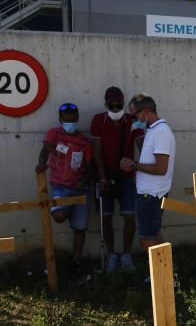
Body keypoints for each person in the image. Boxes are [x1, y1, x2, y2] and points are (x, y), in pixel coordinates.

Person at [90, 86, 144, 273]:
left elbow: (142, 145)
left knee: (130, 216)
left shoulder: (132, 121)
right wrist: (102, 177)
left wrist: (145, 167)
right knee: (105, 217)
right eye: (111, 105)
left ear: (123, 103)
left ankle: (127, 255)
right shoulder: (98, 120)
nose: (115, 108)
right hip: (104, 175)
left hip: (127, 177)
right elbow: (96, 152)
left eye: (118, 105)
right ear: (106, 104)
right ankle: (112, 254)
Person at [36, 102, 93, 272]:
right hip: (61, 187)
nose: (71, 123)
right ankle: (68, 210)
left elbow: (89, 165)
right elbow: (44, 151)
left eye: (74, 120)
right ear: (60, 120)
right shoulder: (54, 134)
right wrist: (41, 164)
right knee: (59, 215)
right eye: (67, 120)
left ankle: (76, 262)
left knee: (80, 228)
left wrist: (85, 179)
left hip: (80, 188)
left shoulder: (84, 142)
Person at [120, 94, 175, 253]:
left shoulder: (161, 132)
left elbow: (161, 168)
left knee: (146, 239)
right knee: (153, 234)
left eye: (134, 115)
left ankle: (161, 277)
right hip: (149, 193)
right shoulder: (153, 130)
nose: (132, 119)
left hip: (151, 195)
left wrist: (133, 166)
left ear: (144, 112)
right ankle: (166, 276)